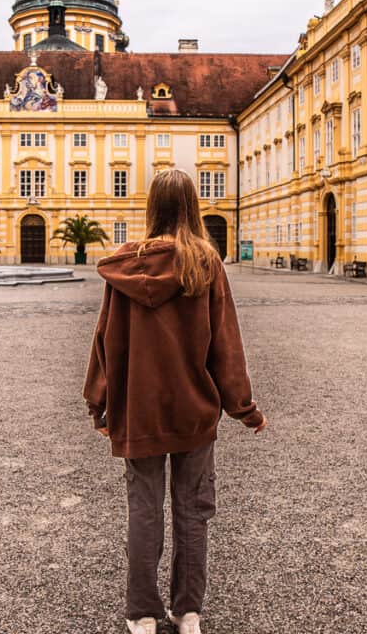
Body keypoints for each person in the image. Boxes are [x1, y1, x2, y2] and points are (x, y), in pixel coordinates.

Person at [84, 168, 267, 634]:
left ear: (153, 208)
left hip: (140, 409)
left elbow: (105, 340)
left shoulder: (124, 266)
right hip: (194, 409)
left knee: (144, 511)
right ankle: (187, 613)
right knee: (193, 510)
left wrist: (98, 402)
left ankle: (142, 615)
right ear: (193, 205)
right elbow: (226, 343)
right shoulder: (205, 263)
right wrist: (243, 406)